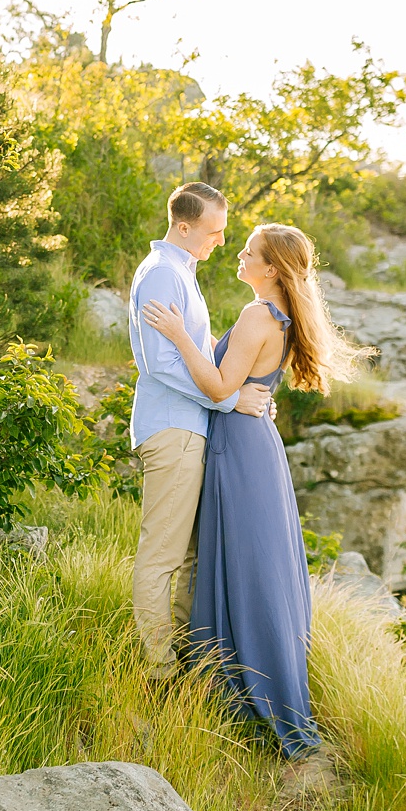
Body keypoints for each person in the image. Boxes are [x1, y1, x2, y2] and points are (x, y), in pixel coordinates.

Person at [141, 223, 367, 758]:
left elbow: (220, 387)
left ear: (270, 268)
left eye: (248, 251)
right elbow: (239, 387)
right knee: (244, 564)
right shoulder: (280, 317)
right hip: (253, 443)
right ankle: (238, 687)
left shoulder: (256, 315)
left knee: (243, 566)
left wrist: (176, 337)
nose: (238, 255)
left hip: (239, 450)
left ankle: (246, 694)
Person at [126, 183, 273, 679]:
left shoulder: (182, 274)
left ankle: (189, 659)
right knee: (161, 555)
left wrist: (246, 390)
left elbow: (200, 350)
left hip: (192, 430)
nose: (220, 241)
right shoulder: (162, 277)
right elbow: (160, 365)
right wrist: (230, 398)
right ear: (184, 227)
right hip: (173, 430)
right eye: (213, 232)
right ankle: (158, 669)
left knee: (191, 555)